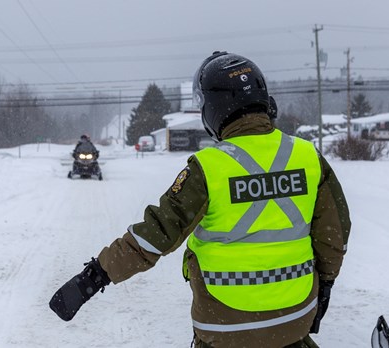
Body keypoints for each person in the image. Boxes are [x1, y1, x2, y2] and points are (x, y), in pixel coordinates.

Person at [50, 51, 351, 348]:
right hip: (294, 318)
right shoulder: (308, 157)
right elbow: (334, 235)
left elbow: (154, 237)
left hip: (225, 327)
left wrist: (93, 277)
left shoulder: (208, 168)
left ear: (213, 108)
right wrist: (324, 286)